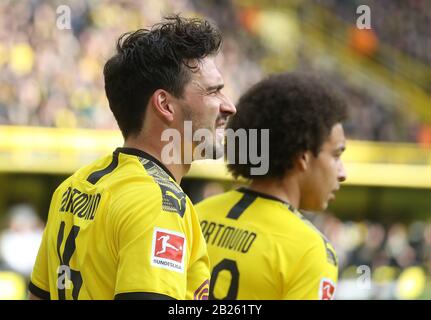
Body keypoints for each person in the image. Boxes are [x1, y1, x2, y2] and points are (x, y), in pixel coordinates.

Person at [29, 15, 236, 300]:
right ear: (165, 104)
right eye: (214, 91)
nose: (230, 107)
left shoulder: (73, 186)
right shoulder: (159, 203)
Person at [196, 72, 347, 300]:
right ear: (302, 157)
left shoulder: (195, 215)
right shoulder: (310, 251)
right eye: (336, 156)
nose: (342, 173)